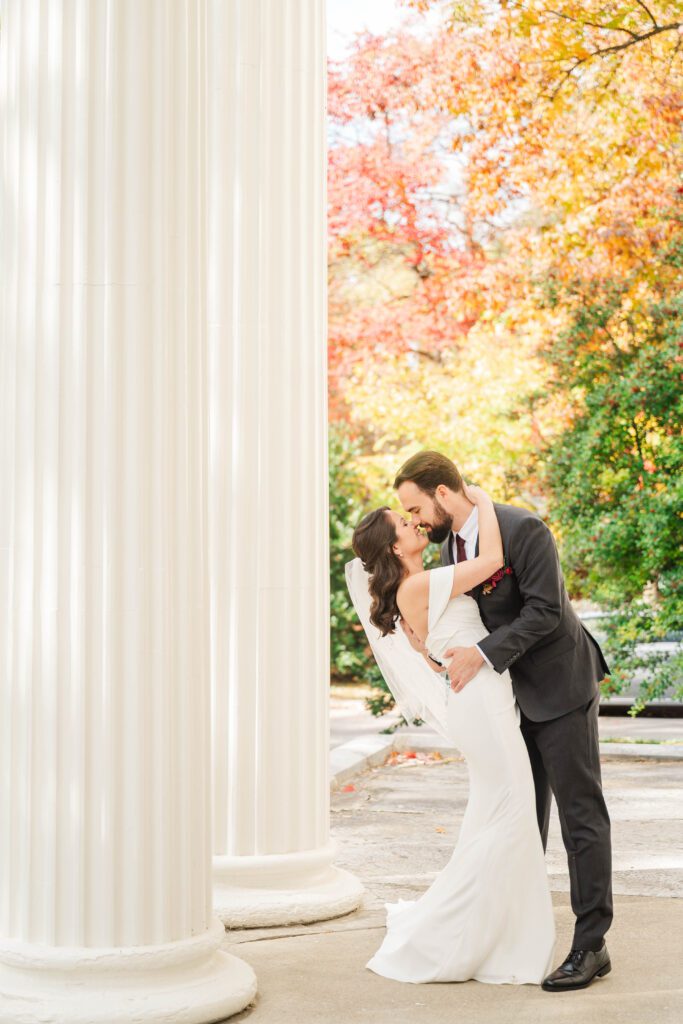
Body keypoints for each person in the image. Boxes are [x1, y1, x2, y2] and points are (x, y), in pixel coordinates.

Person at [393, 450, 613, 992]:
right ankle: (517, 935)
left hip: (560, 688)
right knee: (522, 819)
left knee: (580, 816)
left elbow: (546, 610)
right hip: (507, 701)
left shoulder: (523, 528)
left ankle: (591, 945)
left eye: (416, 507)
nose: (416, 520)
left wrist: (482, 655)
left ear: (443, 493)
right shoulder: (449, 546)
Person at [347, 485, 556, 986]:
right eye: (403, 522)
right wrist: (479, 500)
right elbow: (493, 558)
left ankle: (493, 926)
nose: (413, 523)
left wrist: (450, 658)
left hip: (477, 695)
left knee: (495, 809)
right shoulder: (420, 587)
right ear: (395, 548)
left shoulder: (414, 587)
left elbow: (429, 657)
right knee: (512, 807)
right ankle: (465, 931)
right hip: (480, 698)